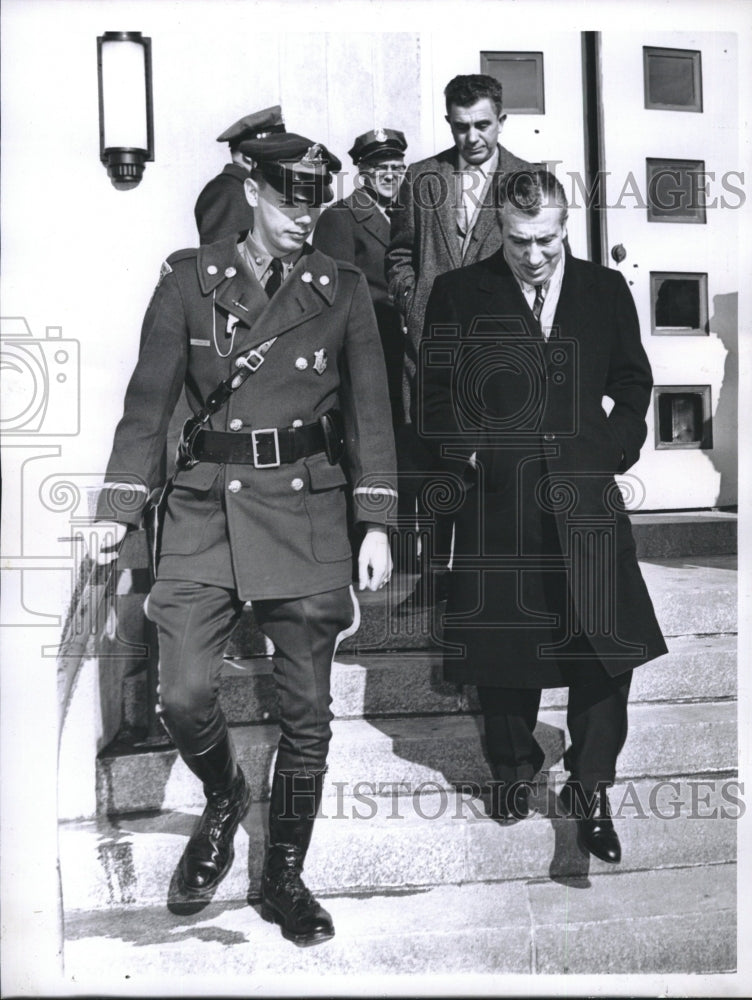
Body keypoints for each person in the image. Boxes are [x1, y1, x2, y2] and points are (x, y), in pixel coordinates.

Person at [93, 133, 397, 947]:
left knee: (307, 720)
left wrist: (375, 520)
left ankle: (283, 876)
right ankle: (225, 795)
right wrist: (118, 507)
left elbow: (371, 411)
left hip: (306, 512)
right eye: (290, 199)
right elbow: (149, 403)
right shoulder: (189, 281)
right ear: (253, 191)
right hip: (205, 510)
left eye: (315, 202)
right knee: (184, 694)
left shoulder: (341, 287)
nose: (304, 216)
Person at [418, 169, 668, 863]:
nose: (533, 256)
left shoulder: (603, 290)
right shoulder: (458, 292)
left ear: (565, 228)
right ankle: (511, 769)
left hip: (586, 497)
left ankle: (590, 789)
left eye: (546, 241)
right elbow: (433, 398)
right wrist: (471, 454)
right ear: (499, 228)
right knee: (504, 650)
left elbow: (632, 382)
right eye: (519, 241)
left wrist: (612, 447)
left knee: (604, 649)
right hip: (500, 501)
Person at [385, 74, 532, 606]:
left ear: (502, 121)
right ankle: (432, 576)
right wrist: (413, 302)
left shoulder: (528, 180)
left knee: (491, 466)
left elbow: (541, 260)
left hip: (498, 355)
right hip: (431, 350)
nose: (472, 137)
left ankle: (485, 580)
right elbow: (399, 254)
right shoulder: (424, 176)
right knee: (434, 462)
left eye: (483, 125)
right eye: (460, 126)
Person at [313, 127, 407, 429]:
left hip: (405, 351)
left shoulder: (407, 216)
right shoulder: (339, 217)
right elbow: (334, 301)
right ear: (363, 172)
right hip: (368, 350)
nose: (391, 175)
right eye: (381, 168)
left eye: (397, 168)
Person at [194, 105, 286, 244]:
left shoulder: (245, 189)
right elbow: (223, 254)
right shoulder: (228, 192)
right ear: (249, 155)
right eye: (275, 154)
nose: (281, 161)